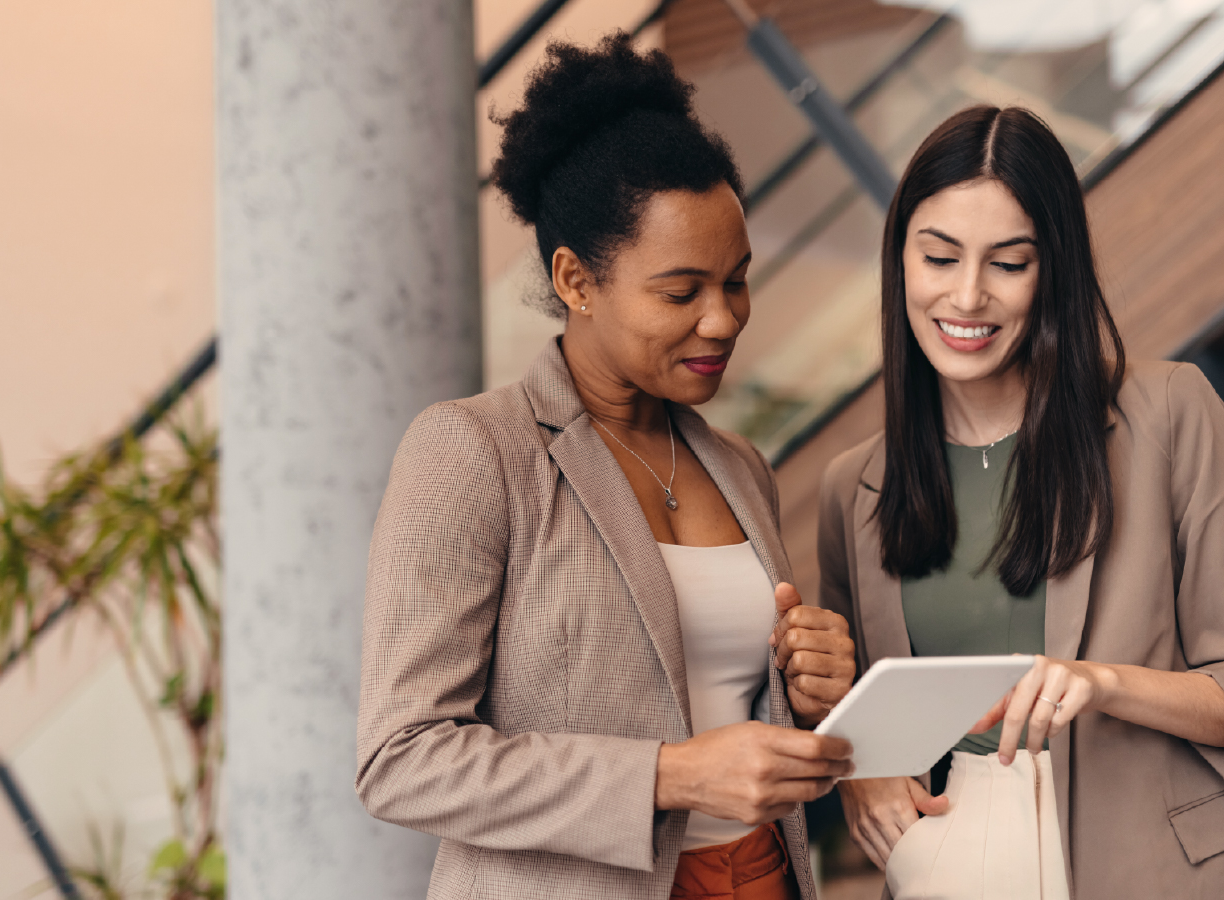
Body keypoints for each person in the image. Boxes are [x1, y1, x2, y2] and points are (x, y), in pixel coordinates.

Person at [357, 35, 858, 900]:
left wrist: (815, 689)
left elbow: (727, 715)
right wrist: (669, 777)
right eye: (681, 291)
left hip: (762, 878)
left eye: (737, 281)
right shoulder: (475, 453)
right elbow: (402, 758)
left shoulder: (739, 465)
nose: (722, 320)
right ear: (577, 281)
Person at [818, 106, 1224, 900]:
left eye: (1009, 263)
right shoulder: (854, 487)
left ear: (1053, 269)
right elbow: (855, 711)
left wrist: (1105, 683)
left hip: (1164, 876)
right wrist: (860, 778)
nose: (968, 296)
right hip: (954, 876)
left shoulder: (1169, 415)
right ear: (900, 262)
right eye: (940, 257)